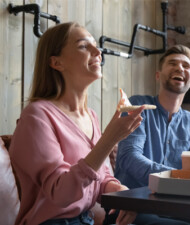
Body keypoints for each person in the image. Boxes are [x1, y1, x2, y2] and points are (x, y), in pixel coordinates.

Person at [9, 22, 142, 225]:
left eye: (96, 45)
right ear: (56, 63)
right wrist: (109, 139)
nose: (97, 51)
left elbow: (100, 178)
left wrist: (122, 193)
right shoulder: (36, 116)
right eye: (83, 46)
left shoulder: (91, 116)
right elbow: (62, 194)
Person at [111, 45, 190, 225]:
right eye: (173, 63)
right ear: (158, 75)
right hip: (132, 205)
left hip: (177, 206)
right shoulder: (138, 105)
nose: (180, 68)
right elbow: (129, 157)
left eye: (186, 66)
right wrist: (176, 175)